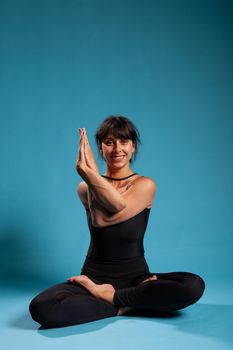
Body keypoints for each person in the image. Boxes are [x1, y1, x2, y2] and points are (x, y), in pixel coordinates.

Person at [29, 115, 205, 328]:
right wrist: (91, 177)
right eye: (109, 142)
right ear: (100, 149)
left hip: (136, 279)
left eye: (124, 142)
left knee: (193, 285)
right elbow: (100, 218)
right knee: (42, 307)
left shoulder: (145, 185)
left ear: (133, 147)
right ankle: (124, 305)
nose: (117, 149)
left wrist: (89, 172)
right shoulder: (84, 188)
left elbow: (110, 213)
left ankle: (114, 299)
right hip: (93, 279)